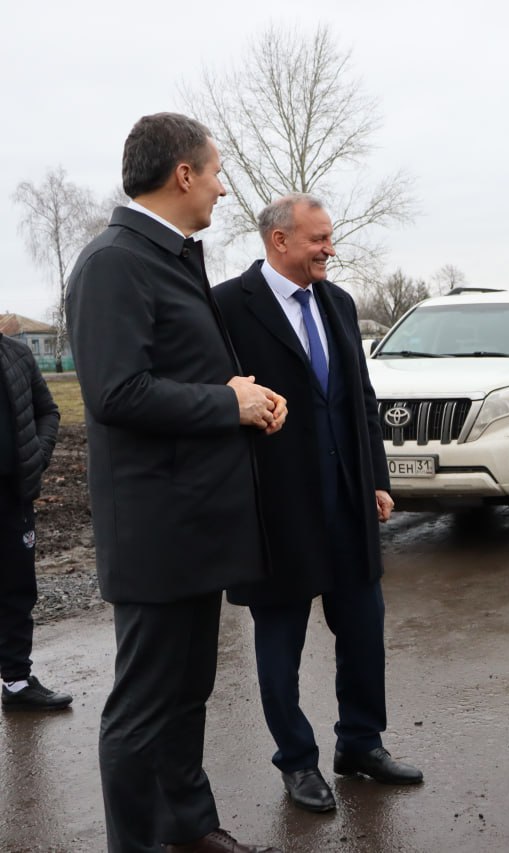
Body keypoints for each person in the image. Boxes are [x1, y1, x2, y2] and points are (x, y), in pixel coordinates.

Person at [66, 113, 286, 853]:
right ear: (182, 174)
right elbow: (116, 392)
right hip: (157, 532)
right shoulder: (114, 261)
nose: (225, 187)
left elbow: (167, 374)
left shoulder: (167, 255)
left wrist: (239, 396)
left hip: (194, 525)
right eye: (217, 170)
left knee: (188, 693)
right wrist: (227, 401)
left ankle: (190, 830)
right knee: (143, 707)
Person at [212, 194, 422, 814]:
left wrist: (377, 477)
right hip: (275, 513)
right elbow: (216, 401)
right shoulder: (226, 307)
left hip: (349, 503)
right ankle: (297, 762)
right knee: (280, 645)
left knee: (364, 632)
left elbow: (360, 396)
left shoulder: (337, 302)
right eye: (318, 239)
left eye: (329, 238)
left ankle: (360, 743)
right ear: (280, 241)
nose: (330, 248)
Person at [0, 334, 68, 711]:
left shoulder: (18, 354)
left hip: (13, 496)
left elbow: (48, 411)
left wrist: (36, 456)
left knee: (17, 590)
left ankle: (17, 682)